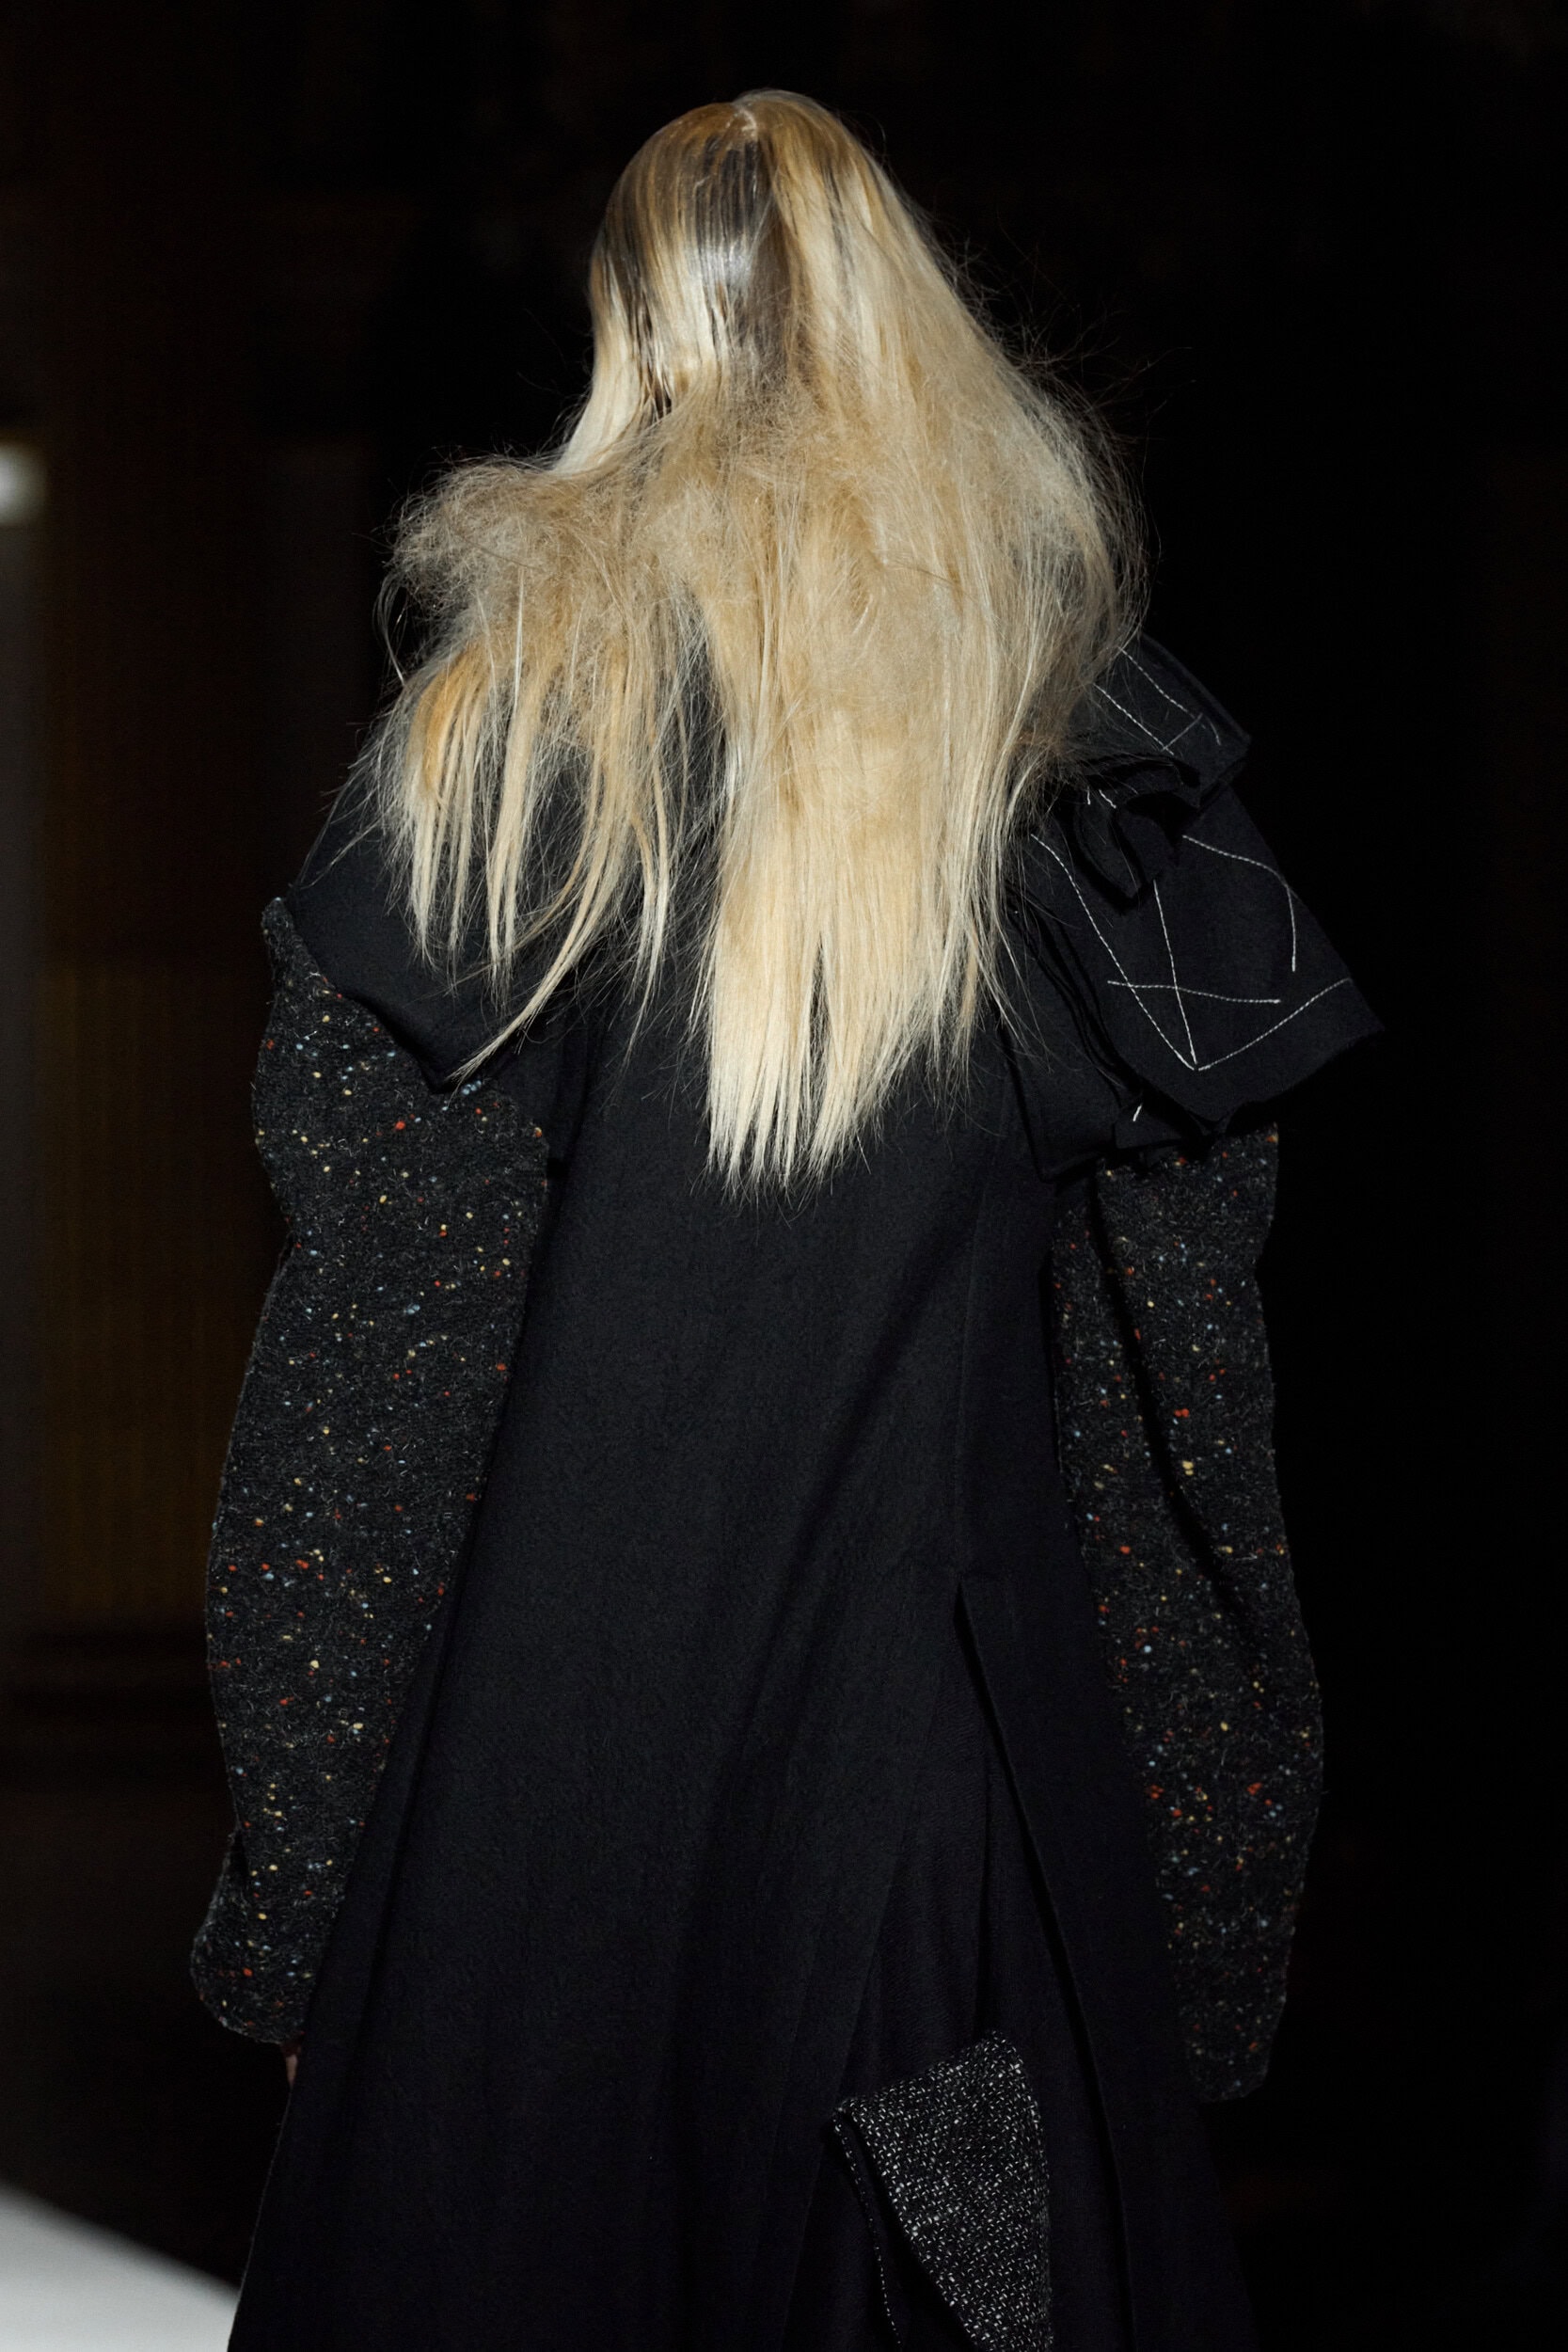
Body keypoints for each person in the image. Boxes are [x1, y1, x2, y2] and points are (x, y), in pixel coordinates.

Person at [192, 91, 1376, 2352]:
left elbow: (361, 1407)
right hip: (936, 1855)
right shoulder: (1084, 797)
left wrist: (308, 1907)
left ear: (638, 334)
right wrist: (1210, 1913)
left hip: (530, 1860)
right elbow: (1182, 1432)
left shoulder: (491, 777)